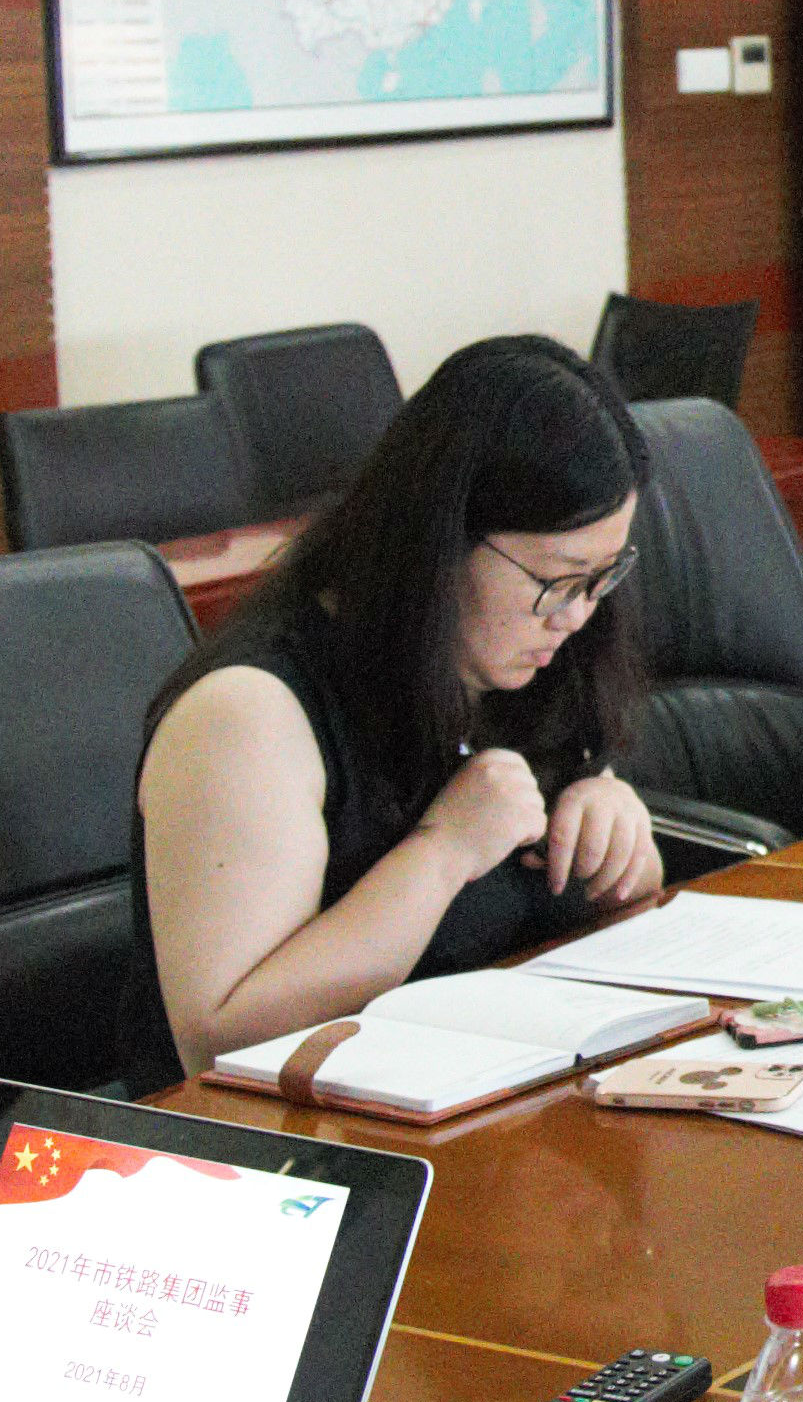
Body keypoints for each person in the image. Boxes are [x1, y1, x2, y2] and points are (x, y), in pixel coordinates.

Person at [126, 336, 663, 1085]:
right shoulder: (247, 714)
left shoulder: (532, 656)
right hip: (287, 1139)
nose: (575, 616)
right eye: (556, 581)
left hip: (488, 1094)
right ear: (440, 542)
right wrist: (443, 853)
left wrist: (617, 836)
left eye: (600, 579)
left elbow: (597, 908)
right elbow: (222, 1039)